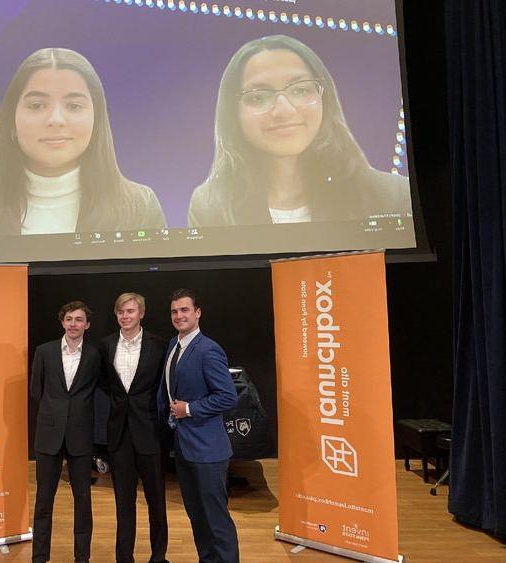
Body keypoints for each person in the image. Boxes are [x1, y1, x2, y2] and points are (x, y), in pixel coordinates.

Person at [0, 47, 166, 236]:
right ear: (12, 123)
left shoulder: (139, 207)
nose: (56, 120)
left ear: (97, 120)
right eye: (37, 106)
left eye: (74, 106)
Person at [189, 34, 411, 226]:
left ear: (325, 99)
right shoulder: (210, 206)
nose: (284, 110)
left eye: (301, 90)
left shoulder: (394, 195)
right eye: (258, 97)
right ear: (232, 114)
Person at [156, 289, 239, 562]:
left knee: (215, 519)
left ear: (197, 312)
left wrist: (189, 409)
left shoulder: (209, 349)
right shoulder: (174, 345)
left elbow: (227, 396)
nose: (179, 316)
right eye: (174, 311)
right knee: (197, 515)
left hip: (208, 451)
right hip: (184, 447)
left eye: (184, 310)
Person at [98, 293, 169, 563]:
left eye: (130, 311)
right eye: (120, 312)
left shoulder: (160, 345)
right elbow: (106, 383)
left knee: (156, 502)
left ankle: (158, 557)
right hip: (119, 435)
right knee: (123, 504)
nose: (125, 316)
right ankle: (123, 558)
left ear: (142, 313)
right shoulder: (105, 345)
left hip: (151, 433)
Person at [30, 301, 101, 563]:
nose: (73, 324)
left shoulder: (95, 355)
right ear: (62, 322)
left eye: (79, 319)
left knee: (83, 499)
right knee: (43, 500)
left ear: (87, 324)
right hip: (48, 436)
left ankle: (82, 557)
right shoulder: (44, 351)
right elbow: (35, 391)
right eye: (69, 319)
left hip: (80, 436)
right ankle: (39, 557)